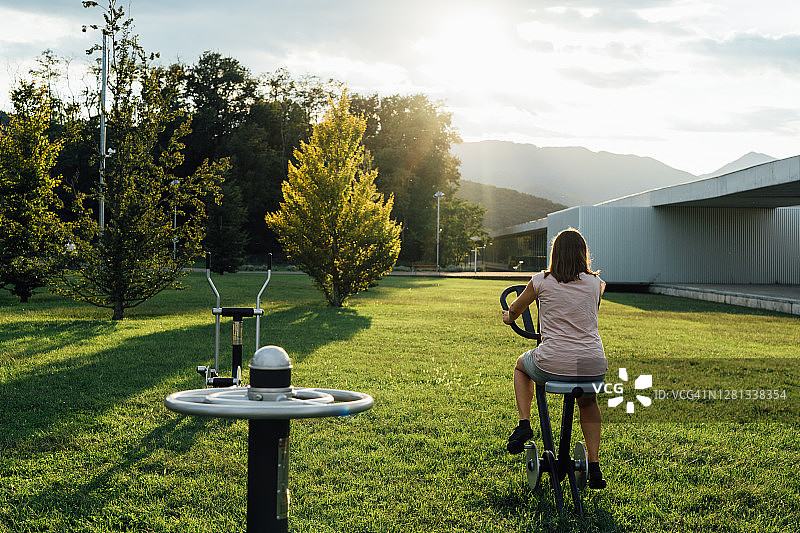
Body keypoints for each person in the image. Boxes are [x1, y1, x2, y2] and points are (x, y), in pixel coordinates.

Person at [501, 228, 608, 489]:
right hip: (592, 363)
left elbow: (515, 309)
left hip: (553, 360)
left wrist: (507, 317)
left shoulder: (540, 281)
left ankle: (524, 423)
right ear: (583, 254)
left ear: (555, 253)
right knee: (588, 402)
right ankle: (594, 466)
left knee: (521, 367)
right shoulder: (597, 284)